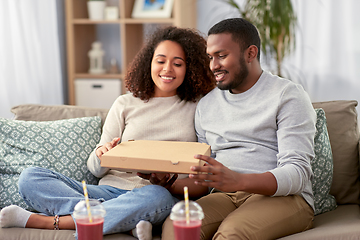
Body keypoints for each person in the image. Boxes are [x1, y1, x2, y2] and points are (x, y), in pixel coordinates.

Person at [0, 26, 215, 240]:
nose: (167, 69)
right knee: (30, 178)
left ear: (190, 68)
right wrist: (102, 154)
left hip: (156, 195)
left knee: (156, 196)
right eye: (160, 61)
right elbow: (94, 168)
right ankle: (123, 222)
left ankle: (53, 222)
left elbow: (203, 181)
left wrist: (169, 183)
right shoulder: (125, 103)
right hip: (109, 192)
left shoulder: (197, 107)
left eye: (177, 63)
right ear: (148, 62)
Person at [162, 18, 317, 240]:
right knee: (178, 226)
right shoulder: (207, 105)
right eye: (210, 57)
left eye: (222, 56)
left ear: (250, 54)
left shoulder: (288, 95)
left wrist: (238, 180)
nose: (213, 65)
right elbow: (204, 179)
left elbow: (298, 172)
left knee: (232, 233)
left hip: (283, 197)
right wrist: (170, 183)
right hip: (223, 195)